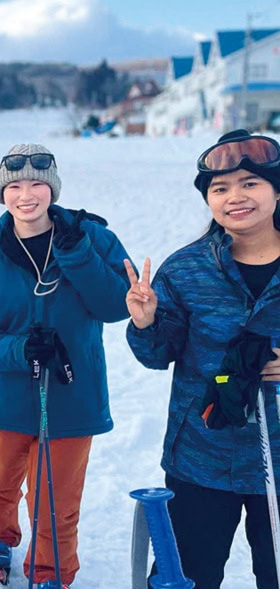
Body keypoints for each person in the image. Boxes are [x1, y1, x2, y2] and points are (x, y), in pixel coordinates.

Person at [0, 144, 131, 588]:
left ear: (52, 189)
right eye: (14, 186)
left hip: (74, 396)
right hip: (11, 397)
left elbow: (115, 304)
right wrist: (19, 350)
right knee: (0, 481)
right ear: (2, 194)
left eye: (37, 183)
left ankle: (49, 573)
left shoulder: (92, 239)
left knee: (56, 499)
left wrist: (77, 253)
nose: (26, 194)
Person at [126, 129, 280, 589]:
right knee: (184, 578)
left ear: (276, 189)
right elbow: (158, 355)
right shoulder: (187, 268)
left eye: (250, 183)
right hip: (201, 457)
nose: (236, 197)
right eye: (220, 188)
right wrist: (145, 322)